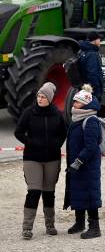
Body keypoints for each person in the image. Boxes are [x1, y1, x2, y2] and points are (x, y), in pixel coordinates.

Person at [13, 82, 67, 239]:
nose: (40, 99)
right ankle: (27, 227)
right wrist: (31, 143)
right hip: (32, 159)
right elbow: (19, 132)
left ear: (50, 99)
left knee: (49, 193)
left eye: (44, 97)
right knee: (34, 191)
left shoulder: (57, 114)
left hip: (52, 159)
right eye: (39, 96)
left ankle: (50, 225)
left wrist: (57, 144)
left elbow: (63, 132)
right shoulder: (28, 113)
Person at [64, 85, 103, 239]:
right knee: (78, 192)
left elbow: (91, 146)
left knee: (90, 195)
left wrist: (79, 161)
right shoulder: (77, 119)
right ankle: (79, 222)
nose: (74, 105)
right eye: (74, 102)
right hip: (77, 165)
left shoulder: (90, 120)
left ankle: (95, 227)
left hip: (87, 166)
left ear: (85, 104)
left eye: (77, 103)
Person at [77, 31, 103, 99]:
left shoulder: (83, 51)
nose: (100, 41)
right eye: (99, 39)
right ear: (95, 40)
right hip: (92, 90)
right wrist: (97, 92)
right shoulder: (92, 54)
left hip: (84, 87)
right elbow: (92, 74)